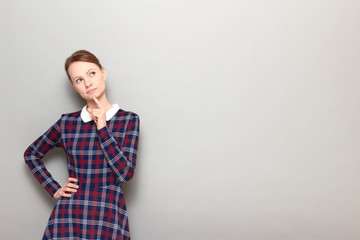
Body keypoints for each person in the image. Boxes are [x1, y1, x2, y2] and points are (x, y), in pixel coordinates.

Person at [24, 49, 140, 240]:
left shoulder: (128, 120)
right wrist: (54, 189)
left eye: (91, 73)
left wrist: (102, 127)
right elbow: (31, 154)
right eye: (79, 79)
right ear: (74, 86)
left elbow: (125, 174)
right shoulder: (67, 123)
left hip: (108, 214)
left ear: (103, 72)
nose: (87, 83)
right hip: (69, 215)